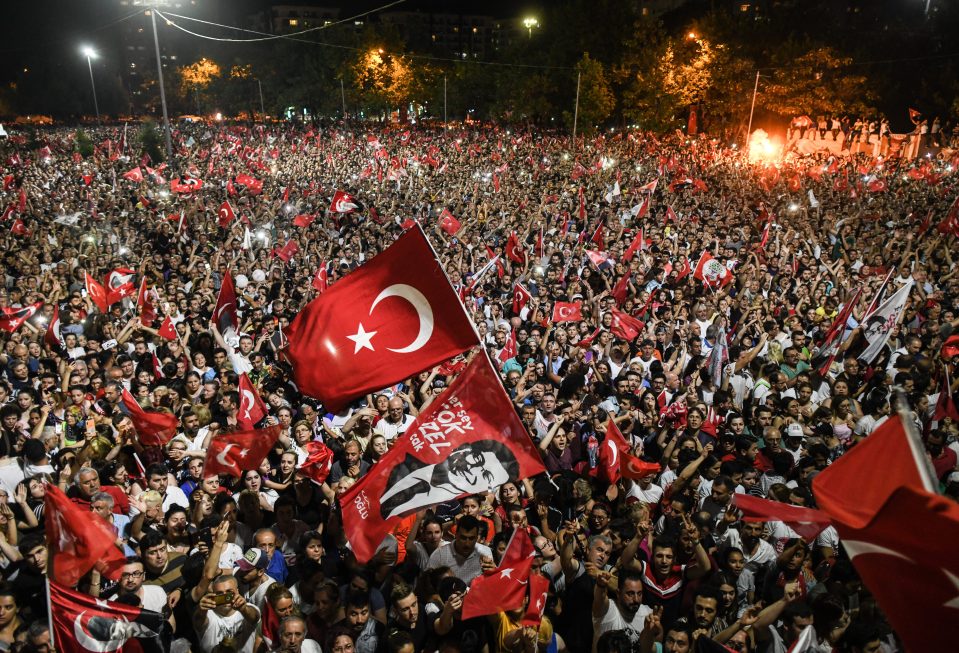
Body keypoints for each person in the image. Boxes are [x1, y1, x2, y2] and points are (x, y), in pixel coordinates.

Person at [380, 441, 520, 520]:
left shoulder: (452, 501)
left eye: (485, 475)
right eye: (477, 458)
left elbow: (480, 508)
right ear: (462, 450)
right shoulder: (402, 465)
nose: (473, 469)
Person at [194, 574, 260, 653]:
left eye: (229, 592)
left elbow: (254, 617)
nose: (225, 597)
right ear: (214, 595)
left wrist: (243, 609)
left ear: (237, 591)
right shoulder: (207, 613)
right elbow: (198, 622)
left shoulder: (247, 608)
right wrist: (201, 611)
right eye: (220, 593)